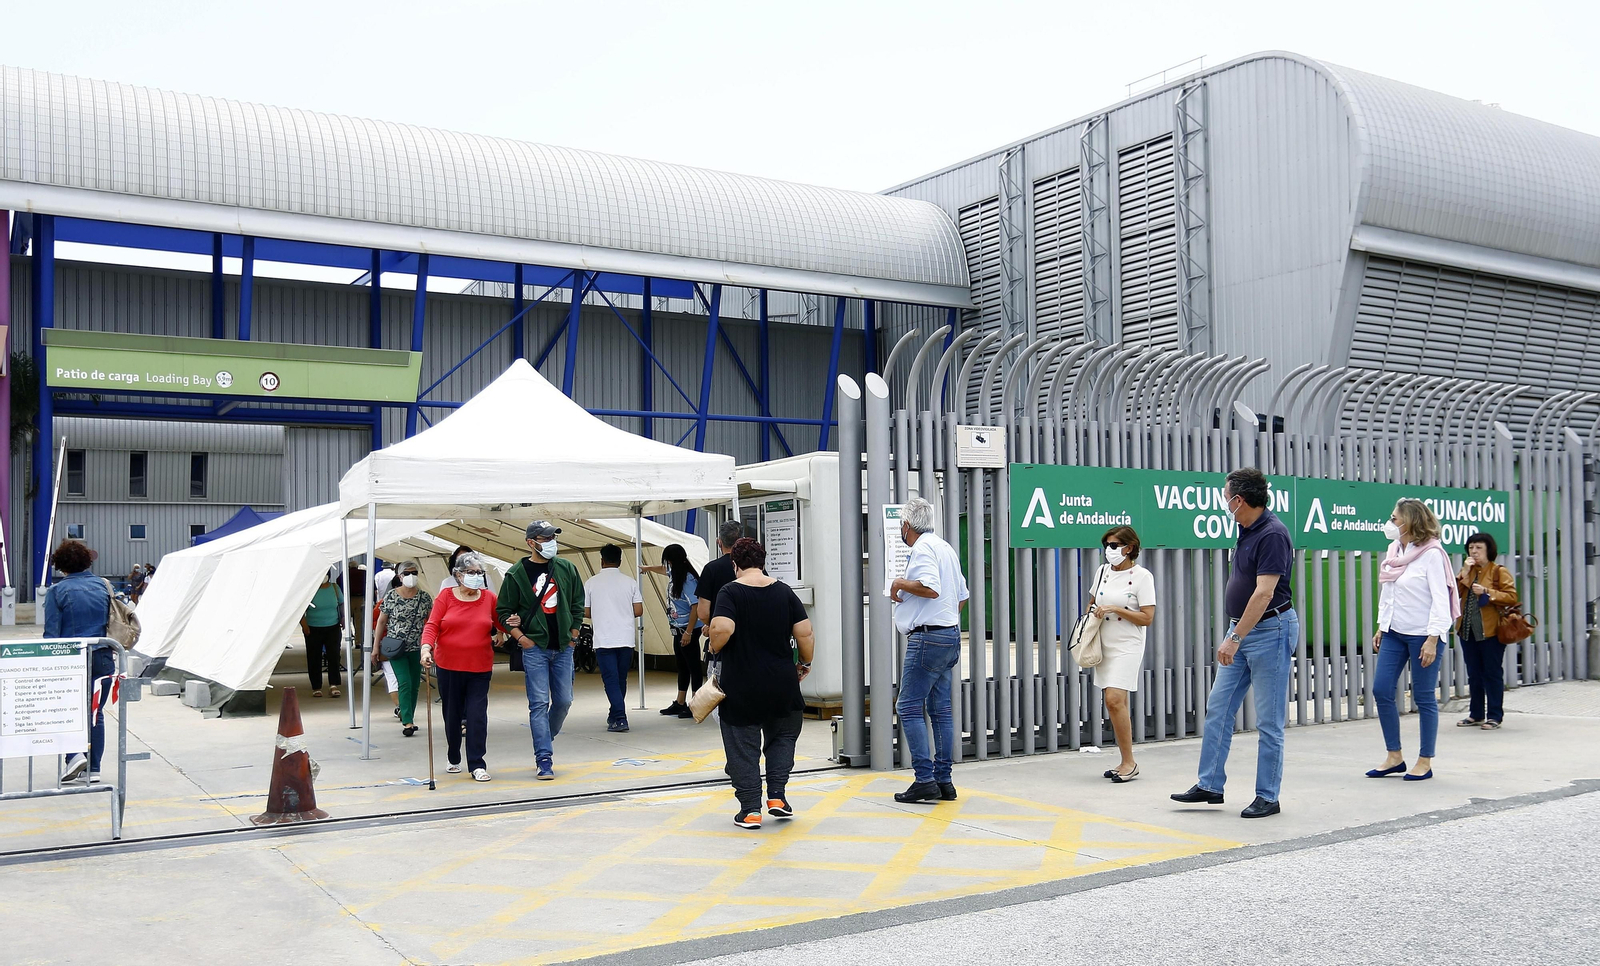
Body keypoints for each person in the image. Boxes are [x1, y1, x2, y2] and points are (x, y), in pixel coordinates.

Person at [1172, 467, 1297, 819]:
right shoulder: (1246, 529)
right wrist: (1235, 633)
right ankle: (1210, 784)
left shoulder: (1272, 533)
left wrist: (1235, 637)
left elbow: (1264, 592)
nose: (1224, 501)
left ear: (1238, 500)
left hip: (1269, 631)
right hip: (1241, 632)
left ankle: (1268, 796)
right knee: (1218, 710)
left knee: (1268, 721)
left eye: (1226, 495)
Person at [708, 538, 815, 830]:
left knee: (742, 747)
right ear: (763, 561)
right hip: (782, 683)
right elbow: (805, 634)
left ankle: (750, 809)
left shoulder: (730, 591)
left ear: (735, 564)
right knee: (782, 738)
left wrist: (714, 647)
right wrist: (804, 664)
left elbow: (722, 628)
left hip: (741, 685)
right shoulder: (784, 592)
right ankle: (778, 797)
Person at [1367, 499, 1459, 782]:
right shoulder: (1394, 550)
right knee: (1381, 689)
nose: (1390, 523)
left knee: (1423, 696)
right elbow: (1389, 592)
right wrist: (1382, 626)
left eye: (1395, 519)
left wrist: (1433, 639)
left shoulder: (1432, 554)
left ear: (1411, 522)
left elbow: (1440, 601)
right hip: (1395, 632)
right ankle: (1394, 756)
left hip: (1424, 635)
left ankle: (1425, 760)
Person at [888, 498, 970, 804]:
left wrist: (899, 583)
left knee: (908, 707)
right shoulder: (945, 547)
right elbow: (961, 594)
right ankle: (944, 780)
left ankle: (924, 779)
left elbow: (931, 587)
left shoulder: (921, 548)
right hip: (949, 635)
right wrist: (947, 616)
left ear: (906, 526)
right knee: (941, 711)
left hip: (927, 639)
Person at [498, 522, 585, 780]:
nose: (550, 542)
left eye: (552, 537)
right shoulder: (516, 573)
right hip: (534, 647)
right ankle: (544, 758)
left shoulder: (566, 568)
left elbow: (578, 601)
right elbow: (503, 611)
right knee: (538, 703)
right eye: (544, 538)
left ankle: (545, 737)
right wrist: (521, 638)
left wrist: (574, 633)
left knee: (564, 701)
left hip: (563, 646)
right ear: (530, 542)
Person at [420, 552, 501, 781]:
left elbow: (499, 621)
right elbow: (432, 625)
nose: (476, 577)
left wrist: (506, 629)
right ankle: (453, 754)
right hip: (449, 666)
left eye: (479, 573)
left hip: (479, 667)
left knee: (477, 716)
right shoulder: (445, 596)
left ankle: (477, 763)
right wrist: (426, 648)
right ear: (458, 575)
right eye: (471, 572)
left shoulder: (489, 598)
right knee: (452, 714)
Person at [1087, 524, 1157, 784]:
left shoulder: (1142, 577)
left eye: (1115, 545)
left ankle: (1129, 762)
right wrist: (1091, 616)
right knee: (1115, 703)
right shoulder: (1102, 571)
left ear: (1129, 548)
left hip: (1128, 643)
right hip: (1104, 641)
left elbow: (1147, 618)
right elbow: (1093, 601)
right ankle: (1124, 760)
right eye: (1107, 545)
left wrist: (1116, 608)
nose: (1109, 550)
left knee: (1114, 698)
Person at [48, 540, 112, 785]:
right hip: (104, 655)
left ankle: (74, 756)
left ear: (61, 566)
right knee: (95, 713)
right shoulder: (103, 585)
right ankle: (93, 768)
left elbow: (52, 634)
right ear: (88, 561)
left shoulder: (58, 591)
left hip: (72, 659)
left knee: (66, 711)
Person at [1456, 532, 1518, 731]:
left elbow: (1511, 597)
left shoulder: (1498, 571)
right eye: (1471, 547)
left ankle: (1494, 716)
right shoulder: (1468, 571)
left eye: (1478, 548)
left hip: (1490, 630)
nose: (1474, 551)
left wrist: (1487, 592)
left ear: (1488, 550)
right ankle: (1475, 714)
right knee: (1474, 673)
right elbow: (1452, 594)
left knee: (1491, 672)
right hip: (1467, 629)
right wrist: (1464, 572)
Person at [584, 543, 644, 732]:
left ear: (602, 560)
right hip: (625, 637)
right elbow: (638, 610)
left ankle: (620, 717)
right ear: (620, 561)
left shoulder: (591, 583)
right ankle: (614, 713)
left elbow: (586, 611)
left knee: (610, 680)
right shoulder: (630, 582)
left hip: (604, 639)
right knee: (620, 680)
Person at [644, 544, 702, 719]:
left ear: (673, 561)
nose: (667, 564)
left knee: (693, 666)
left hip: (688, 628)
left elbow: (696, 606)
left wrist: (689, 632)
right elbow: (663, 569)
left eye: (668, 561)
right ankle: (680, 702)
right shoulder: (675, 572)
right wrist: (647, 568)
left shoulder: (688, 579)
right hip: (678, 628)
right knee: (681, 664)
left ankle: (696, 704)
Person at [376, 560, 433, 738]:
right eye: (407, 573)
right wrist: (375, 646)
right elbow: (381, 621)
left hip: (418, 648)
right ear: (399, 576)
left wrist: (432, 645)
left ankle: (410, 717)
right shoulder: (391, 596)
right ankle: (407, 721)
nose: (411, 576)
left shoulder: (424, 598)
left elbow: (431, 623)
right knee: (405, 682)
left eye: (414, 573)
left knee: (415, 684)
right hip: (396, 648)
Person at [696, 520, 747, 640]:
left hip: (721, 637)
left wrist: (712, 624)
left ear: (719, 542)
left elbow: (703, 613)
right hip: (749, 637)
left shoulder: (711, 569)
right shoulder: (754, 568)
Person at [299, 566, 344, 698]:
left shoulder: (335, 588)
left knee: (334, 655)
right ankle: (316, 687)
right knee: (314, 657)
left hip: (333, 626)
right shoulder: (309, 590)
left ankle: (333, 684)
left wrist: (343, 618)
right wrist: (304, 625)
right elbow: (300, 610)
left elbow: (341, 604)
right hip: (312, 628)